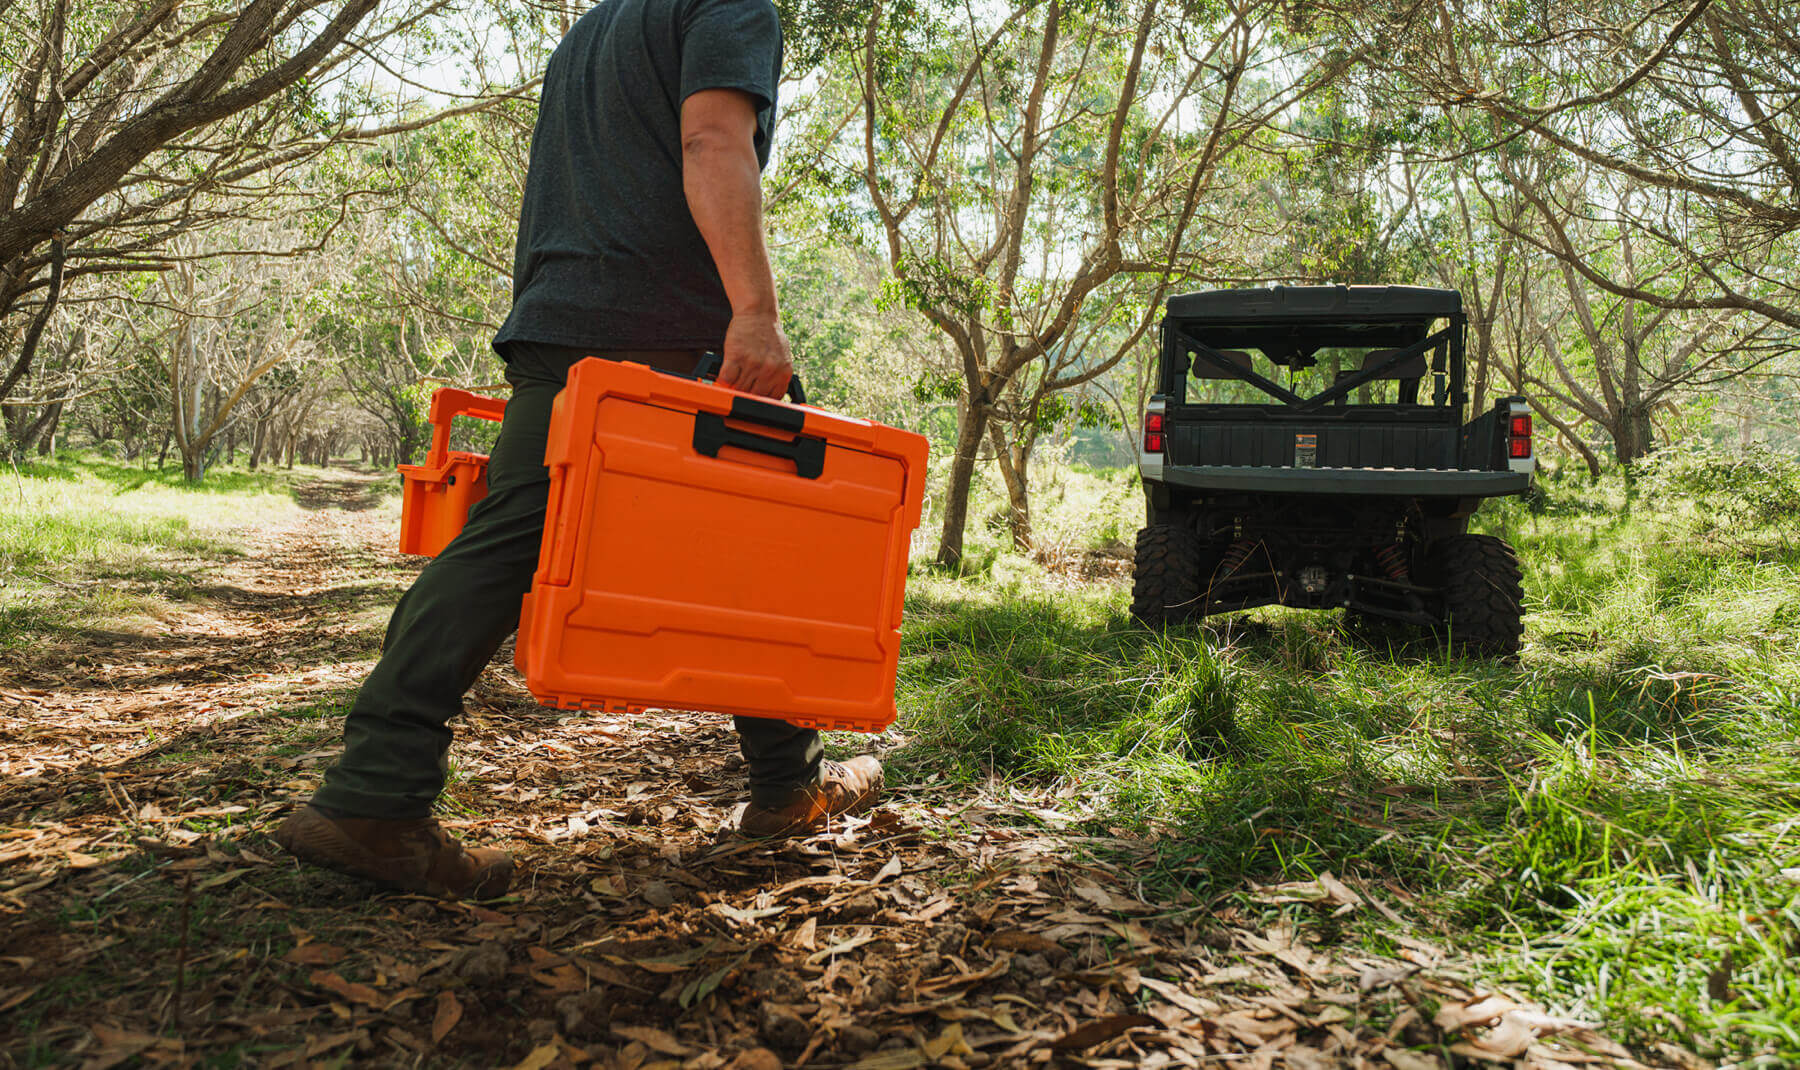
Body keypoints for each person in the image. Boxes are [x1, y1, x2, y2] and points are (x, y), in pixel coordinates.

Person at [274, 0, 882, 900]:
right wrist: (754, 312)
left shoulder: (595, 29)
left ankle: (788, 784)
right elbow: (715, 142)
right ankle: (372, 797)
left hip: (564, 317)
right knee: (713, 537)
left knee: (721, 547)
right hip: (652, 329)